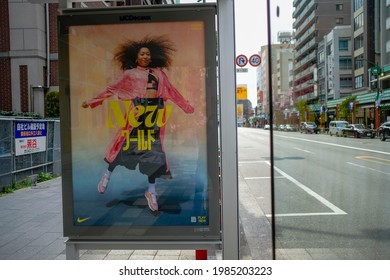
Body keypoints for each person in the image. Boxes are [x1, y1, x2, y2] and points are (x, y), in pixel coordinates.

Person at [81, 35, 194, 212]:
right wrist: (92, 101)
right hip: (137, 116)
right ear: (136, 57)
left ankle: (151, 191)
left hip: (154, 116)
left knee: (153, 153)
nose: (145, 57)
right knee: (124, 147)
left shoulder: (159, 74)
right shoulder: (130, 74)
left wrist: (187, 107)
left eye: (148, 54)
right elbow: (112, 88)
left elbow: (172, 91)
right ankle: (107, 175)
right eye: (142, 54)